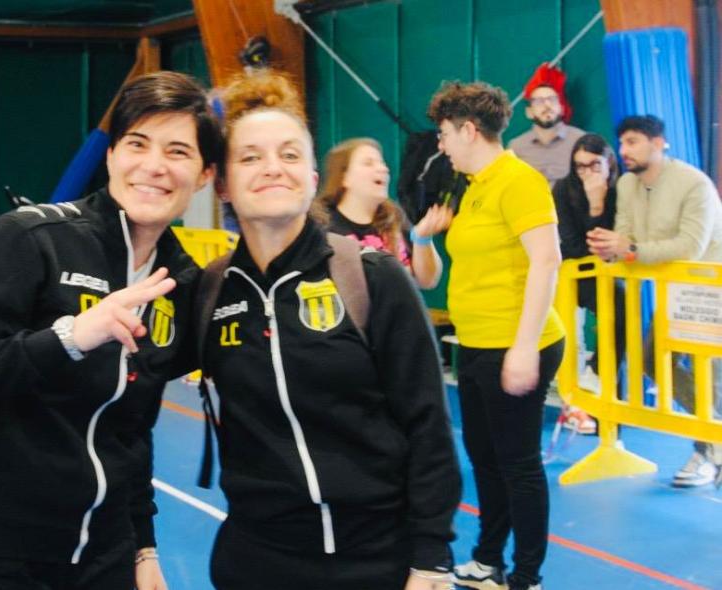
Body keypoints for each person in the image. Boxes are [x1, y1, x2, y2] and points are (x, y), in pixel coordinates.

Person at [0, 70, 222, 590]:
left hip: (103, 551)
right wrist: (72, 337)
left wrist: (142, 545)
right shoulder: (29, 238)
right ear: (111, 156)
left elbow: (130, 428)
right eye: (137, 144)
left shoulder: (180, 283)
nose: (154, 166)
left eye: (178, 152)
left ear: (204, 175)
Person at [201, 69, 461, 590]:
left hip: (375, 561)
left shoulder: (370, 277)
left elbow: (428, 424)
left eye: (290, 154)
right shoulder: (210, 291)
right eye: (250, 157)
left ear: (314, 177)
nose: (273, 168)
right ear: (222, 183)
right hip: (255, 562)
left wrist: (431, 556)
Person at [428, 80, 565, 590]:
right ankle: (488, 561)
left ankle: (526, 577)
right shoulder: (475, 186)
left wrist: (524, 347)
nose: (440, 144)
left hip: (516, 343)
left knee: (519, 465)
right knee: (485, 460)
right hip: (477, 344)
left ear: (468, 130)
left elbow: (546, 261)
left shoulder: (519, 180)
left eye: (444, 133)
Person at [587, 114, 722, 488]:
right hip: (677, 291)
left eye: (632, 142)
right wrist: (610, 248)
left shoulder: (694, 184)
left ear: (658, 143)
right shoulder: (627, 183)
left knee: (710, 375)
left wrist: (629, 249)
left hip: (712, 290)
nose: (624, 150)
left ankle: (710, 453)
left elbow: (689, 247)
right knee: (650, 360)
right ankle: (713, 441)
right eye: (622, 143)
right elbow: (625, 235)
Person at [553, 133, 625, 431]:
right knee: (571, 339)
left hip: (611, 275)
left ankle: (606, 411)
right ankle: (577, 402)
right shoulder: (563, 188)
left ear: (609, 162)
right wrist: (595, 209)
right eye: (580, 166)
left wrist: (600, 206)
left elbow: (621, 239)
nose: (586, 173)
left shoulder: (622, 189)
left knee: (621, 319)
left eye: (594, 165)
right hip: (575, 274)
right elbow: (573, 245)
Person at [312, 137, 449, 289]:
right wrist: (399, 274)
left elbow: (428, 281)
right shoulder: (322, 225)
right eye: (368, 163)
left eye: (382, 163)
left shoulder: (394, 216)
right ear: (344, 178)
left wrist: (422, 238)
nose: (383, 169)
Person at [508, 64, 585, 186]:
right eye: (539, 101)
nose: (547, 105)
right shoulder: (516, 147)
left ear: (562, 108)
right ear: (529, 112)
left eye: (552, 99)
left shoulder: (580, 140)